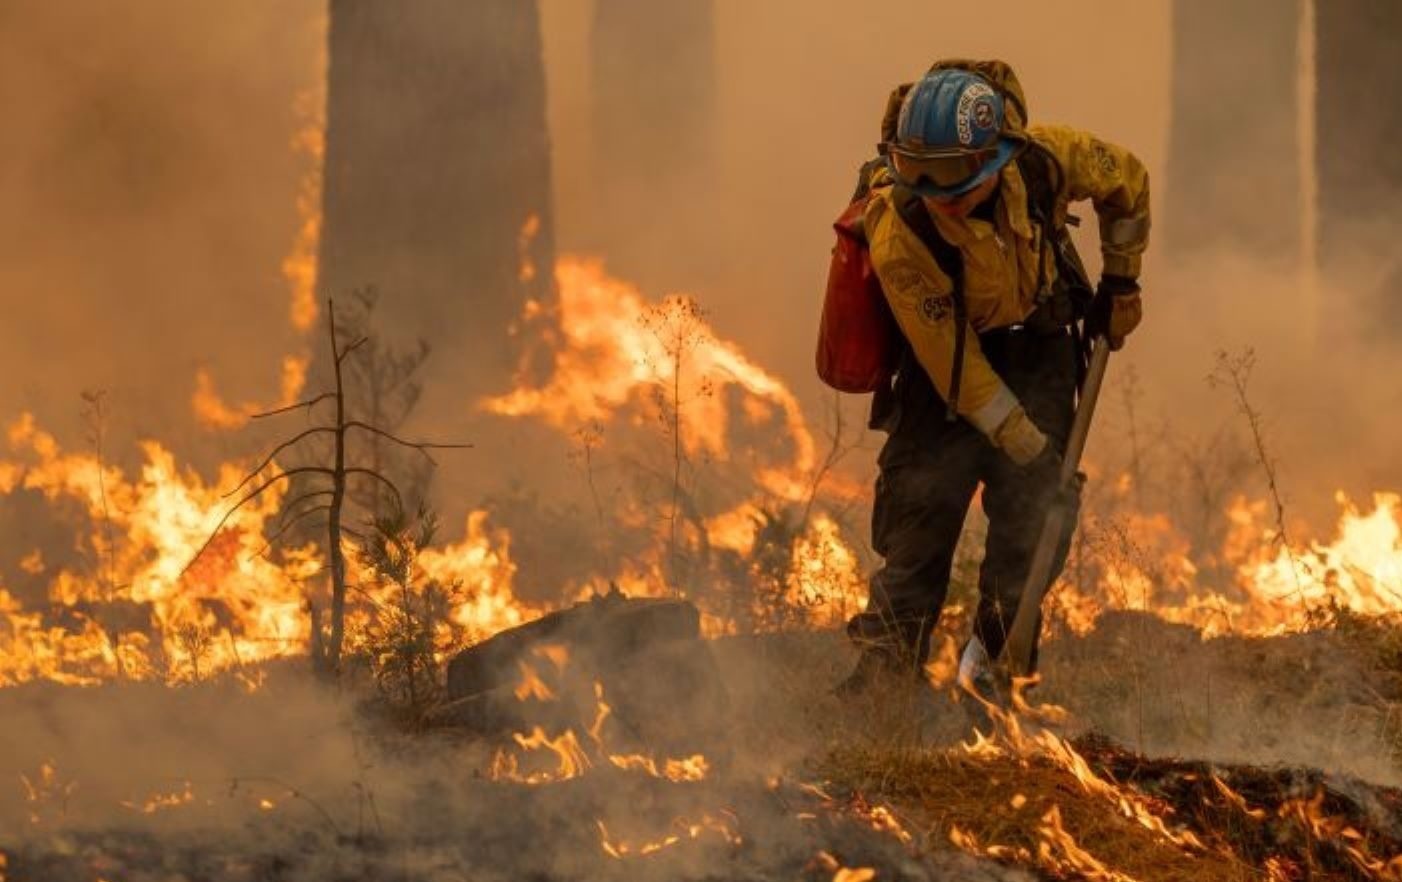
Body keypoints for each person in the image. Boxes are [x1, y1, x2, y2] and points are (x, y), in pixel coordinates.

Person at [837, 63, 1150, 697]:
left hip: (1039, 350)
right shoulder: (901, 229)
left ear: (992, 156)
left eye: (952, 177)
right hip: (942, 381)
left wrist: (1121, 276)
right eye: (917, 173)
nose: (934, 193)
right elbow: (958, 370)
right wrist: (1025, 444)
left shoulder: (1045, 160)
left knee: (1036, 525)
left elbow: (1130, 181)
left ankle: (992, 680)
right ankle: (882, 692)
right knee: (918, 528)